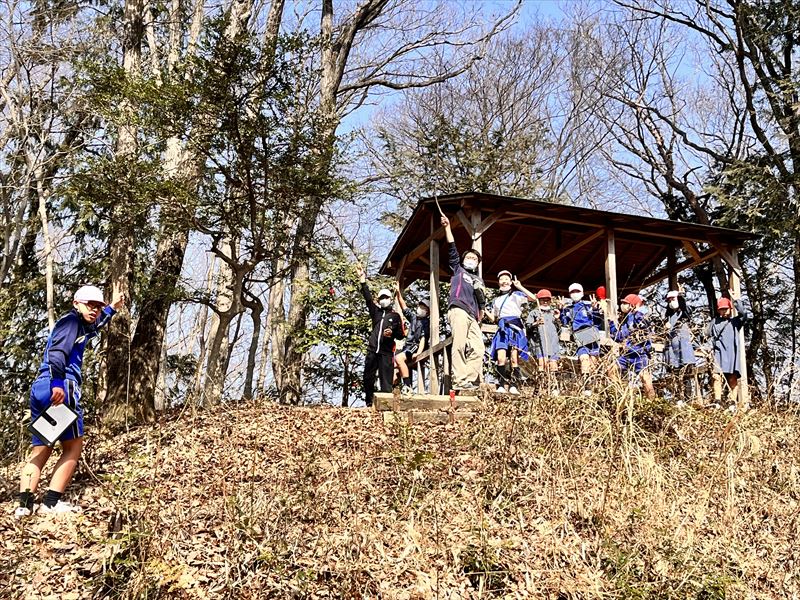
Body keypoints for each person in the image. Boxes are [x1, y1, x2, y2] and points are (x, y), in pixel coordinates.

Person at [16, 285, 123, 518]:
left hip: (41, 387)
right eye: (89, 305)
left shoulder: (80, 325)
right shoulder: (71, 322)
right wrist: (58, 384)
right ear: (76, 303)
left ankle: (24, 505)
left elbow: (94, 328)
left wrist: (112, 309)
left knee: (42, 448)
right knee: (73, 447)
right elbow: (57, 353)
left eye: (98, 307)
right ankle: (51, 503)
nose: (94, 310)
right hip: (61, 386)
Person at [441, 214, 486, 391]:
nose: (471, 260)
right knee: (459, 344)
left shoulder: (479, 280)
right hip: (458, 309)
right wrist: (447, 227)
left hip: (473, 316)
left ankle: (467, 378)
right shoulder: (458, 270)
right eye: (469, 257)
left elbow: (481, 300)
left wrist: (482, 311)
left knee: (478, 348)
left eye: (475, 259)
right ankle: (459, 380)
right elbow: (452, 247)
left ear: (477, 264)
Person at [357, 265, 405, 407]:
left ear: (390, 299)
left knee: (386, 380)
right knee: (368, 377)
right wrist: (362, 279)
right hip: (372, 351)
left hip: (386, 353)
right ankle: (369, 402)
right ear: (378, 300)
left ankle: (386, 406)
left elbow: (401, 335)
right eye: (381, 297)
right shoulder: (376, 312)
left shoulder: (395, 316)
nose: (384, 299)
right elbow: (367, 298)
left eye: (386, 297)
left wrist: (392, 334)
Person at [487, 271, 530, 394]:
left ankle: (514, 385)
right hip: (501, 329)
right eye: (501, 279)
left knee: (514, 359)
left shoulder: (517, 294)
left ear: (511, 282)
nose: (504, 281)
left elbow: (533, 298)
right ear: (498, 282)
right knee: (501, 358)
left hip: (514, 329)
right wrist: (483, 309)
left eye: (507, 279)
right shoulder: (496, 300)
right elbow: (494, 318)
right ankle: (501, 384)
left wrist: (519, 286)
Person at [560, 283, 604, 395]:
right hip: (579, 336)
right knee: (583, 358)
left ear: (582, 293)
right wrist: (560, 310)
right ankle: (586, 387)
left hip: (592, 335)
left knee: (593, 363)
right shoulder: (568, 309)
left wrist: (595, 309)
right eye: (573, 292)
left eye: (577, 291)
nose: (575, 294)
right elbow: (564, 322)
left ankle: (595, 388)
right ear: (570, 294)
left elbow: (598, 321)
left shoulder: (588, 306)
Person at [608, 293, 655, 399]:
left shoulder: (641, 316)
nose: (623, 306)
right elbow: (618, 337)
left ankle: (652, 402)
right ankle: (619, 395)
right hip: (627, 353)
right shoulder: (627, 319)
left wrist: (637, 312)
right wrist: (610, 323)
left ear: (632, 305)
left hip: (640, 353)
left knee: (645, 378)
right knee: (612, 369)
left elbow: (645, 327)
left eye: (625, 303)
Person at [708, 291, 748, 405]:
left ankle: (732, 401)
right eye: (722, 309)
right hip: (718, 353)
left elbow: (744, 314)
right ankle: (717, 401)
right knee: (716, 376)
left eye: (726, 308)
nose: (724, 311)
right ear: (718, 310)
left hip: (732, 354)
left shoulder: (735, 322)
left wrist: (736, 300)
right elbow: (705, 334)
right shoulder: (714, 322)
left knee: (732, 378)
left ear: (730, 308)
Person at [394, 283, 430, 396]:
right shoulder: (413, 317)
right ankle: (395, 390)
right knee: (394, 369)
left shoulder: (426, 323)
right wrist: (398, 293)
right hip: (407, 347)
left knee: (399, 359)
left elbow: (423, 339)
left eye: (423, 308)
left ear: (428, 311)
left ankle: (407, 386)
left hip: (415, 348)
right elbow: (403, 306)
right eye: (420, 306)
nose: (421, 309)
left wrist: (418, 353)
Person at [664, 289, 698, 403]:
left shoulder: (684, 313)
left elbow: (688, 309)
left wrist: (682, 295)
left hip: (684, 349)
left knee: (686, 374)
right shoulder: (668, 317)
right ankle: (678, 397)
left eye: (673, 299)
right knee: (675, 375)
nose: (671, 302)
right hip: (673, 351)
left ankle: (688, 399)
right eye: (669, 300)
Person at [526, 289, 561, 392]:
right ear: (539, 300)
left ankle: (554, 388)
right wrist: (535, 323)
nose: (545, 302)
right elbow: (528, 327)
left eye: (547, 300)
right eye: (542, 300)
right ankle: (539, 389)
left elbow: (559, 330)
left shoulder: (553, 313)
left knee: (553, 366)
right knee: (542, 365)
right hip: (540, 344)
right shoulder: (534, 313)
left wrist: (557, 319)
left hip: (553, 344)